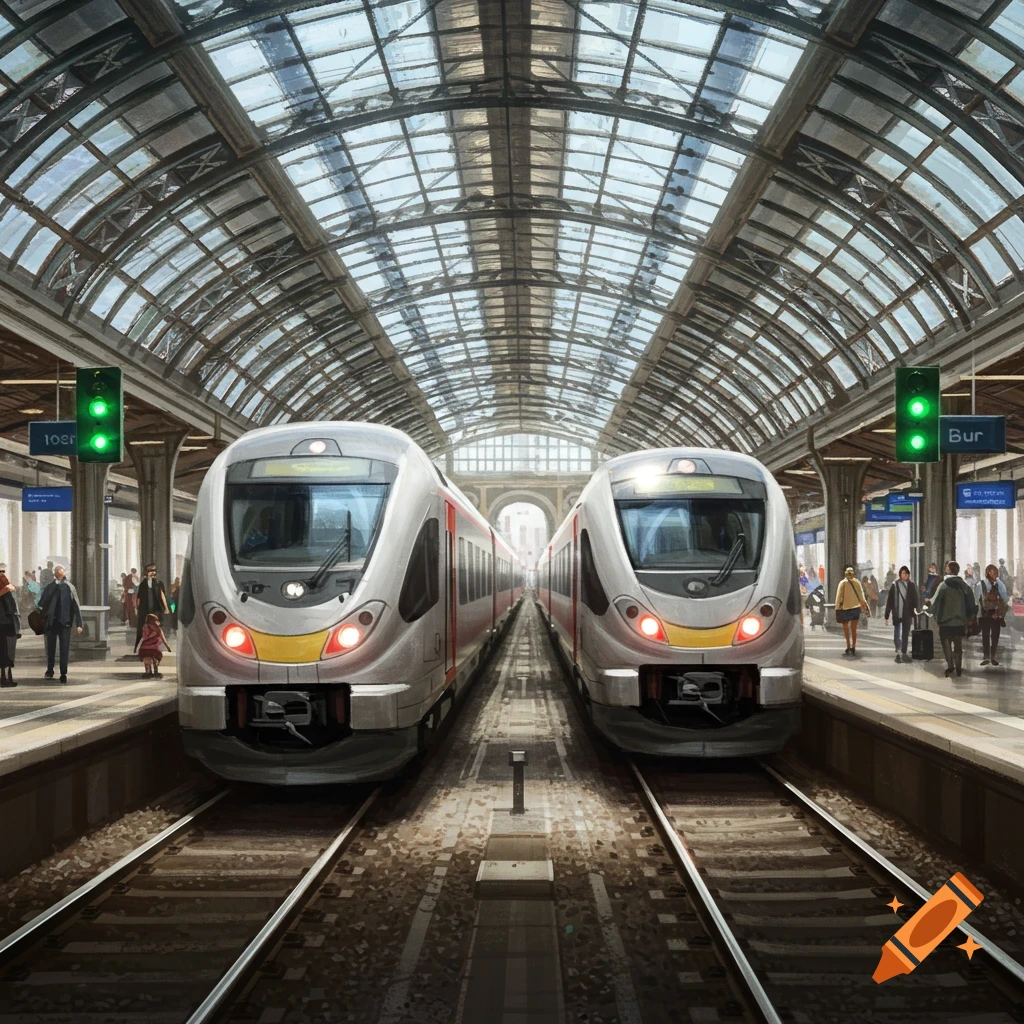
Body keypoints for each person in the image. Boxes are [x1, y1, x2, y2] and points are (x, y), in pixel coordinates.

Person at [927, 561, 978, 679]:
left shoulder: (943, 585)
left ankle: (950, 666)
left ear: (949, 570)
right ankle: (959, 667)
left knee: (946, 645)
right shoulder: (965, 586)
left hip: (945, 622)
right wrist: (970, 617)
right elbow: (972, 603)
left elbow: (936, 602)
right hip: (960, 621)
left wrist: (931, 611)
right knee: (958, 645)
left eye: (947, 567)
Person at [38, 565, 83, 684]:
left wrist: (79, 623)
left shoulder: (69, 587)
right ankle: (50, 670)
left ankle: (63, 673)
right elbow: (42, 603)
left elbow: (76, 606)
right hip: (51, 623)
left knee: (64, 649)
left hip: (65, 623)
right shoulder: (50, 587)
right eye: (59, 572)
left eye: (62, 572)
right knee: (50, 648)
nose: (61, 574)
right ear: (56, 574)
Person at [883, 566, 921, 663]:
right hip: (897, 612)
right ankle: (898, 651)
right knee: (897, 632)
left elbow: (915, 599)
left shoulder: (911, 585)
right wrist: (886, 616)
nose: (905, 575)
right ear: (900, 574)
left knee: (905, 633)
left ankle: (903, 652)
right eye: (903, 573)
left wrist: (916, 611)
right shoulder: (894, 585)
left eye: (907, 573)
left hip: (907, 613)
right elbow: (890, 601)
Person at [835, 567, 870, 656]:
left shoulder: (842, 583)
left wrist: (837, 608)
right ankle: (853, 646)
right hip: (855, 608)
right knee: (854, 629)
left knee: (846, 629)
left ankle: (848, 646)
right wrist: (865, 606)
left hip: (845, 608)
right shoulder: (857, 582)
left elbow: (839, 597)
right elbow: (862, 596)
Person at [978, 564, 1008, 667]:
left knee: (994, 636)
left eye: (995, 572)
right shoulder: (980, 584)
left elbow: (1004, 599)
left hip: (995, 613)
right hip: (985, 613)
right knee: (985, 636)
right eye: (992, 572)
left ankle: (992, 656)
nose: (994, 574)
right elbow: (977, 599)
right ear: (987, 573)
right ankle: (987, 657)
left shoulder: (1000, 584)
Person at [135, 564, 170, 649]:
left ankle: (156, 646)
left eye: (153, 571)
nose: (152, 573)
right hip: (144, 609)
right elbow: (139, 597)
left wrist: (166, 608)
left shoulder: (159, 583)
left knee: (156, 628)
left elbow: (162, 595)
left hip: (156, 609)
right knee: (142, 627)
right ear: (146, 573)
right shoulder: (143, 584)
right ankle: (138, 646)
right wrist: (136, 608)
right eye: (150, 571)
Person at [135, 612, 171, 678]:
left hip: (144, 647)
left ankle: (148, 672)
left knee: (146, 659)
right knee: (156, 659)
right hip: (155, 648)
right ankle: (156, 672)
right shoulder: (158, 629)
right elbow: (163, 639)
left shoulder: (145, 626)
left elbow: (144, 637)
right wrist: (168, 647)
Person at [0, 572, 20, 687]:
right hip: (6, 624)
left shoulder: (8, 593)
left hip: (6, 624)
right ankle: (5, 678)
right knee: (7, 652)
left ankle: (4, 677)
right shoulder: (8, 593)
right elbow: (13, 610)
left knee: (5, 652)